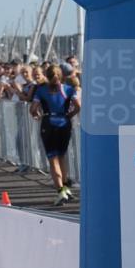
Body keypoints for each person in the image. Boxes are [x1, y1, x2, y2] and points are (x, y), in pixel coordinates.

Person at [31, 65, 80, 206]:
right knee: (62, 156)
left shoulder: (41, 90)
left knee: (53, 159)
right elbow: (78, 106)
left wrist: (37, 115)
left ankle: (60, 191)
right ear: (61, 75)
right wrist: (69, 115)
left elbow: (33, 108)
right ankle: (65, 187)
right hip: (64, 123)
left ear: (47, 75)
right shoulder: (69, 89)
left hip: (49, 123)